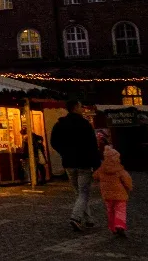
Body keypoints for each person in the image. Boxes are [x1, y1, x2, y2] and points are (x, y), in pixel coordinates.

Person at [51, 99, 102, 231]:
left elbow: (53, 142)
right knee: (83, 192)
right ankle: (76, 217)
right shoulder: (84, 124)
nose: (81, 108)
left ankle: (89, 219)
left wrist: (64, 152)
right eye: (80, 106)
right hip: (84, 163)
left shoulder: (60, 124)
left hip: (68, 163)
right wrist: (96, 163)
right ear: (75, 108)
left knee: (78, 192)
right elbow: (92, 145)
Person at [93, 145, 133, 237]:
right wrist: (129, 187)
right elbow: (127, 180)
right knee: (120, 210)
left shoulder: (101, 169)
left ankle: (113, 227)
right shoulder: (119, 169)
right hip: (120, 195)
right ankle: (119, 225)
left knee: (110, 211)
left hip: (107, 195)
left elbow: (95, 176)